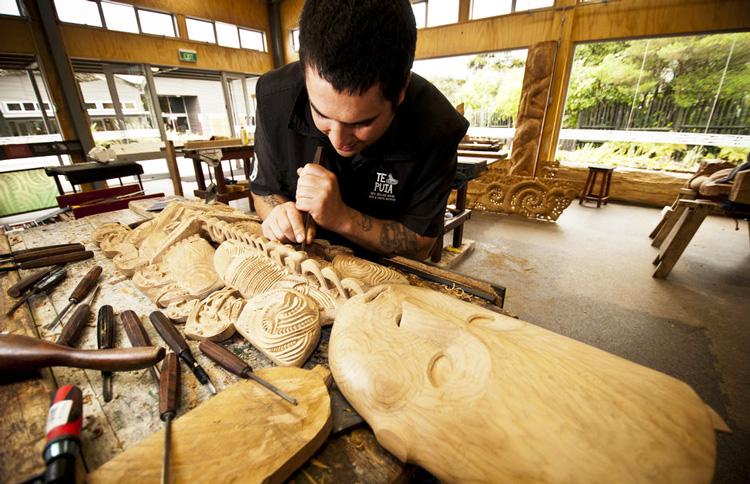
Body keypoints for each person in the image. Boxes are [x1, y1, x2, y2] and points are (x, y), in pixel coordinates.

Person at [251, 0, 469, 260]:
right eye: (321, 114)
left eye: (362, 123)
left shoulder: (436, 127)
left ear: (400, 91)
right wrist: (277, 214)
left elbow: (421, 244)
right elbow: (263, 190)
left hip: (384, 274)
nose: (339, 140)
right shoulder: (274, 97)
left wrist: (341, 218)